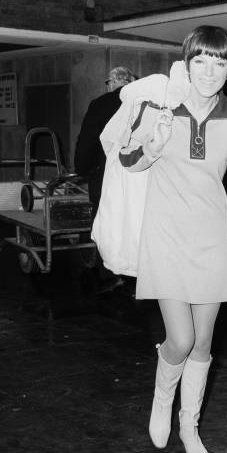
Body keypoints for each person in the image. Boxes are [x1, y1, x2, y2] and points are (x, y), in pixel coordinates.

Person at [119, 26, 227, 453]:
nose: (208, 70)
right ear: (187, 65)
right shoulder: (162, 108)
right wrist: (154, 144)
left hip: (211, 239)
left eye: (218, 62)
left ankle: (190, 425)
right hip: (164, 235)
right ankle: (162, 401)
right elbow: (127, 160)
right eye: (199, 61)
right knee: (181, 339)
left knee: (203, 344)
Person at [74, 66, 136, 291]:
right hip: (137, 176)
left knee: (106, 224)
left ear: (111, 83)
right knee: (133, 223)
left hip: (106, 177)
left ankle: (109, 274)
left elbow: (88, 142)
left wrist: (83, 169)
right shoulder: (143, 103)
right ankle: (135, 274)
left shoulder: (100, 104)